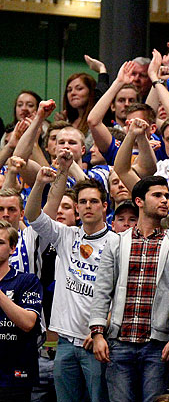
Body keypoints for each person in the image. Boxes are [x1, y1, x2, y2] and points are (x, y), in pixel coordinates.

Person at [89, 176, 169, 402]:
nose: (165, 200)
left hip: (157, 344)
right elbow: (102, 290)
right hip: (120, 340)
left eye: (166, 195)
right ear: (139, 201)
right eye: (157, 195)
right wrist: (97, 333)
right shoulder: (116, 242)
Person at [26, 163, 116, 402]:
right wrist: (40, 183)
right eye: (83, 202)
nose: (88, 206)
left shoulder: (117, 243)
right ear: (77, 208)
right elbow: (32, 215)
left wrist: (100, 329)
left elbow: (121, 294)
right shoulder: (66, 235)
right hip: (65, 342)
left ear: (105, 206)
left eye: (94, 201)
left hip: (96, 341)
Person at [0, 219, 42, 402]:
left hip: (15, 376)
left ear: (12, 248)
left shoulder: (28, 281)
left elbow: (27, 323)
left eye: (0, 242)